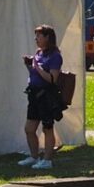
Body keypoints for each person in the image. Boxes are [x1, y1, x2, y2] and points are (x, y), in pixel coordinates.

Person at [20, 23, 65, 170]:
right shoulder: (39, 53)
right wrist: (29, 65)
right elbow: (34, 74)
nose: (36, 39)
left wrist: (37, 67)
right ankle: (34, 156)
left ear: (48, 37)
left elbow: (52, 78)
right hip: (34, 95)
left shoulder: (55, 56)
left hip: (46, 96)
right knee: (29, 129)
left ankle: (47, 160)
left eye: (39, 36)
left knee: (47, 128)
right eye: (36, 36)